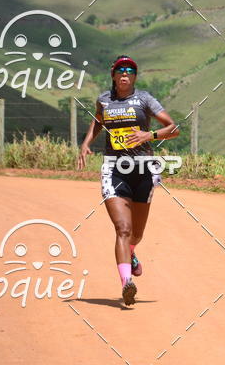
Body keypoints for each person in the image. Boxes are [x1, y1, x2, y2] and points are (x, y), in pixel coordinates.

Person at [77, 55, 179, 305]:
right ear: (113, 75)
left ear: (134, 77)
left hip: (143, 169)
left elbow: (173, 128)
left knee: (137, 234)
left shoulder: (144, 99)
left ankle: (131, 251)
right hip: (114, 169)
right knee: (123, 228)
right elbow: (98, 121)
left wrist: (148, 135)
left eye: (130, 70)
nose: (125, 73)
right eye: (120, 70)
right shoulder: (104, 100)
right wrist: (86, 143)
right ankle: (126, 283)